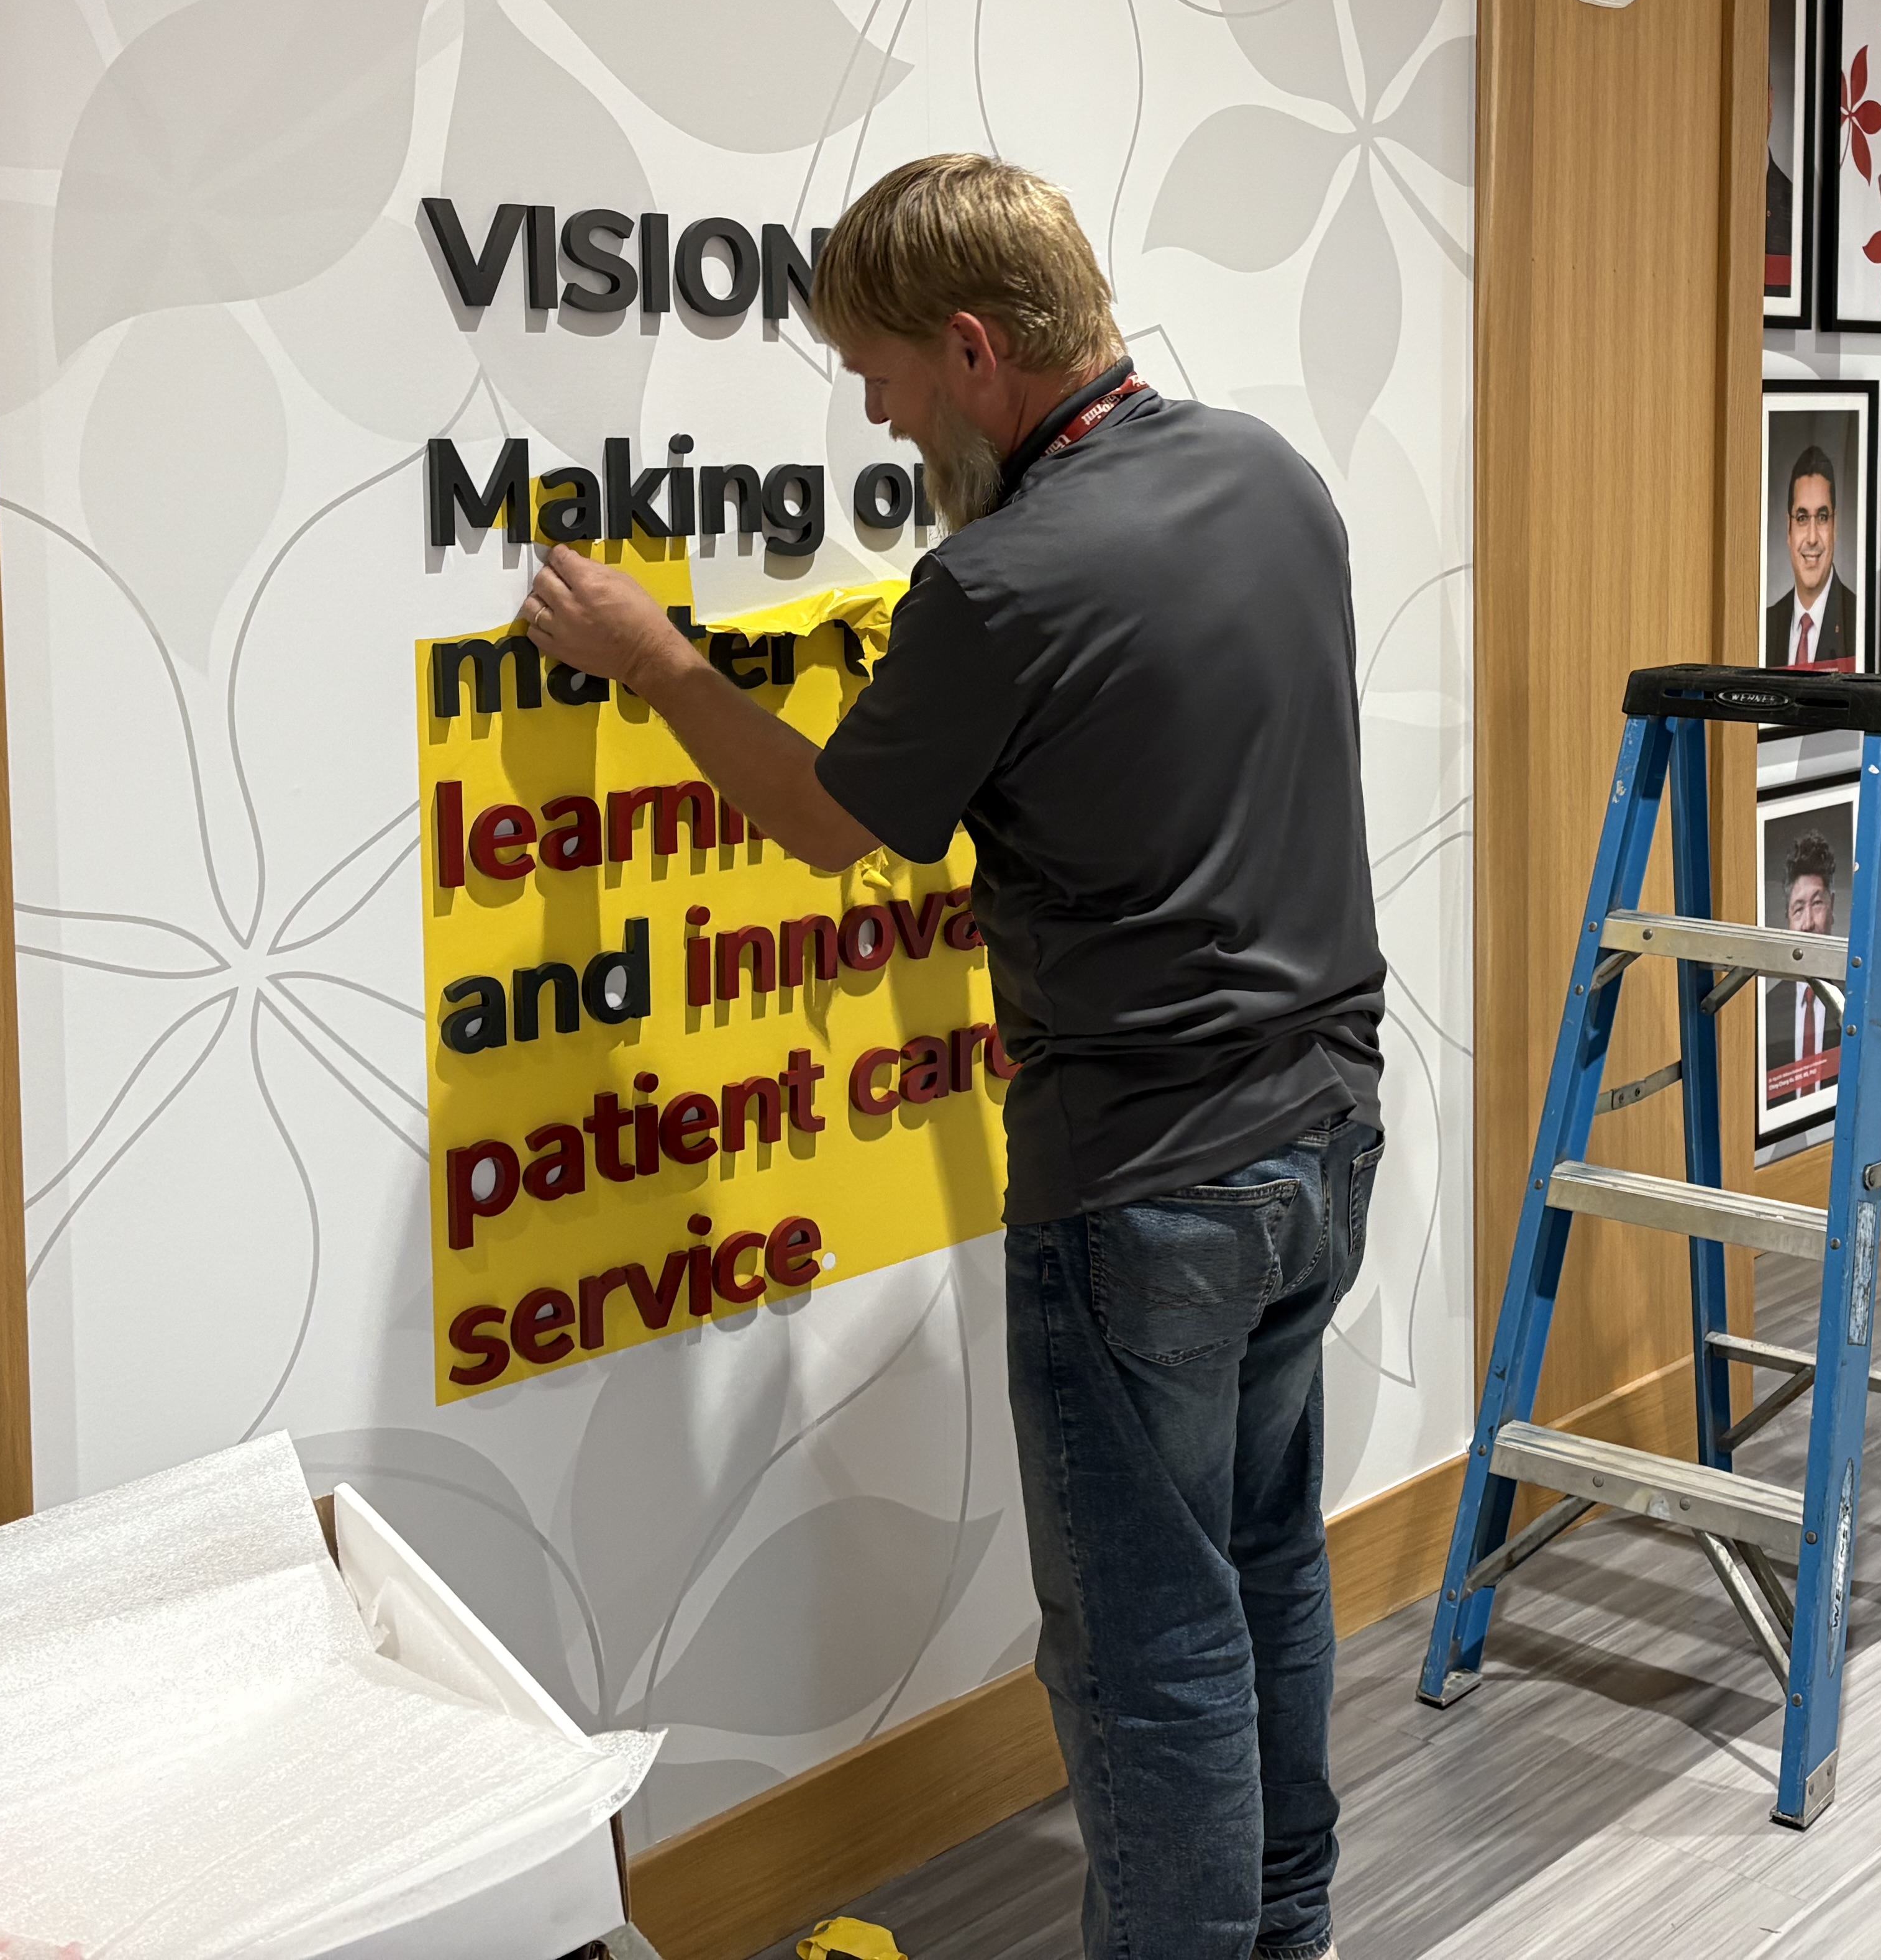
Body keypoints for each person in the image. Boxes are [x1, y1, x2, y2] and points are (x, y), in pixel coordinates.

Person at [515, 152, 1383, 1960]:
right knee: (1267, 1565)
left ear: (978, 350)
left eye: (886, 379)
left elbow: (837, 831)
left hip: (1143, 1184)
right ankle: (1282, 1932)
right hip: (1324, 1137)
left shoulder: (995, 586)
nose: (874, 412)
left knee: (1145, 1640)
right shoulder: (1276, 481)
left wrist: (661, 663)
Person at [1763, 831, 1843, 1107]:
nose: (1808, 923)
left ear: (1833, 907)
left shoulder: (1860, 999)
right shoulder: (1768, 1010)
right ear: (1787, 919)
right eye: (1798, 910)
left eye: (1817, 903)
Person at [1762, 444, 1857, 670]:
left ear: (1835, 527)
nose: (1812, 538)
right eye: (1803, 518)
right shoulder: (1767, 624)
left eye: (1823, 517)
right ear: (1789, 529)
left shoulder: (1857, 621)